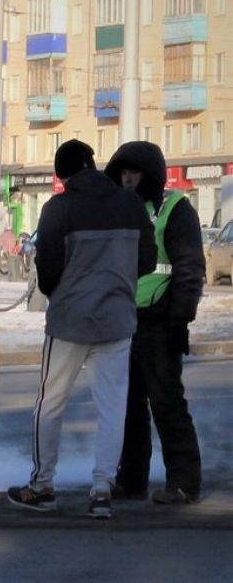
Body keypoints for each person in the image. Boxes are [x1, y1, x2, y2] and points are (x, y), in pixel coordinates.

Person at [7, 139, 156, 519]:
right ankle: (103, 489)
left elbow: (47, 272)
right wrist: (117, 284)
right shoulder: (130, 204)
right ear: (93, 165)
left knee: (50, 402)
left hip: (70, 321)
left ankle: (42, 487)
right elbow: (148, 260)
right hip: (118, 320)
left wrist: (68, 292)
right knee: (112, 407)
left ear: (62, 176)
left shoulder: (59, 208)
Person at [105, 141, 206, 505]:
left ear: (151, 174)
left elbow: (189, 267)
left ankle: (183, 482)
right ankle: (131, 481)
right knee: (128, 408)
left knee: (166, 403)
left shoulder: (175, 208)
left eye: (135, 172)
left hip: (160, 322)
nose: (128, 178)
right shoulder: (118, 208)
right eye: (123, 172)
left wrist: (181, 320)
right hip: (123, 322)